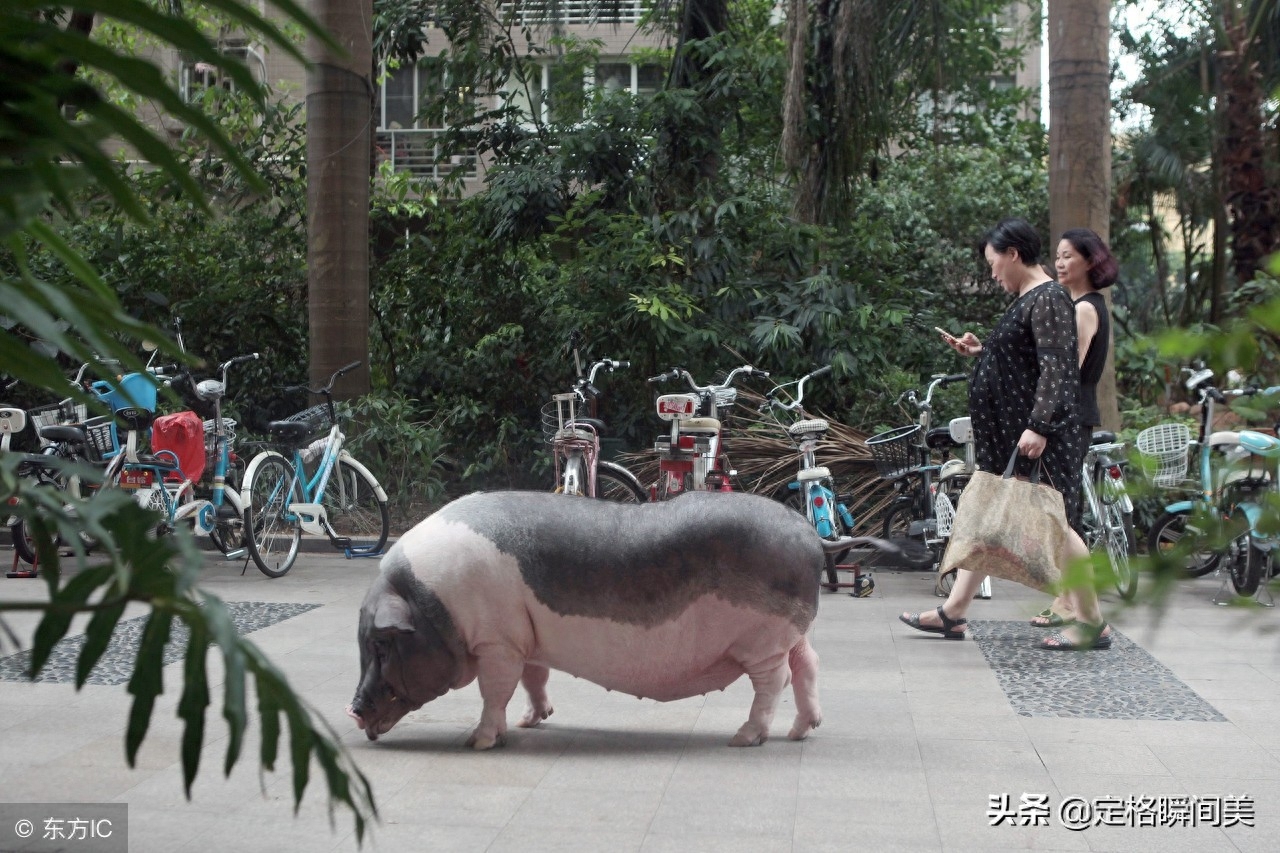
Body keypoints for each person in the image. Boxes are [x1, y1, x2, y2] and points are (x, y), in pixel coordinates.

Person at [898, 218, 1112, 650]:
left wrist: (1039, 426)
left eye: (994, 263)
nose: (993, 273)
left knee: (1058, 526)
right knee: (988, 521)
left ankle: (1092, 622)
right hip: (1012, 436)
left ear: (1013, 253)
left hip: (1037, 437)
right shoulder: (1031, 299)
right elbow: (1027, 359)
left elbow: (1058, 369)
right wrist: (983, 350)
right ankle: (953, 613)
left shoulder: (1049, 298)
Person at [1029, 227, 1120, 628]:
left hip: (1070, 419)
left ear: (1090, 260)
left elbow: (1069, 371)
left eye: (1068, 256)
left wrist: (1043, 418)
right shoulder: (1086, 304)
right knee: (1063, 512)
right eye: (1058, 256)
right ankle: (1067, 599)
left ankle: (1074, 603)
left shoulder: (1083, 308)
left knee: (1062, 514)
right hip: (1075, 416)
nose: (1060, 263)